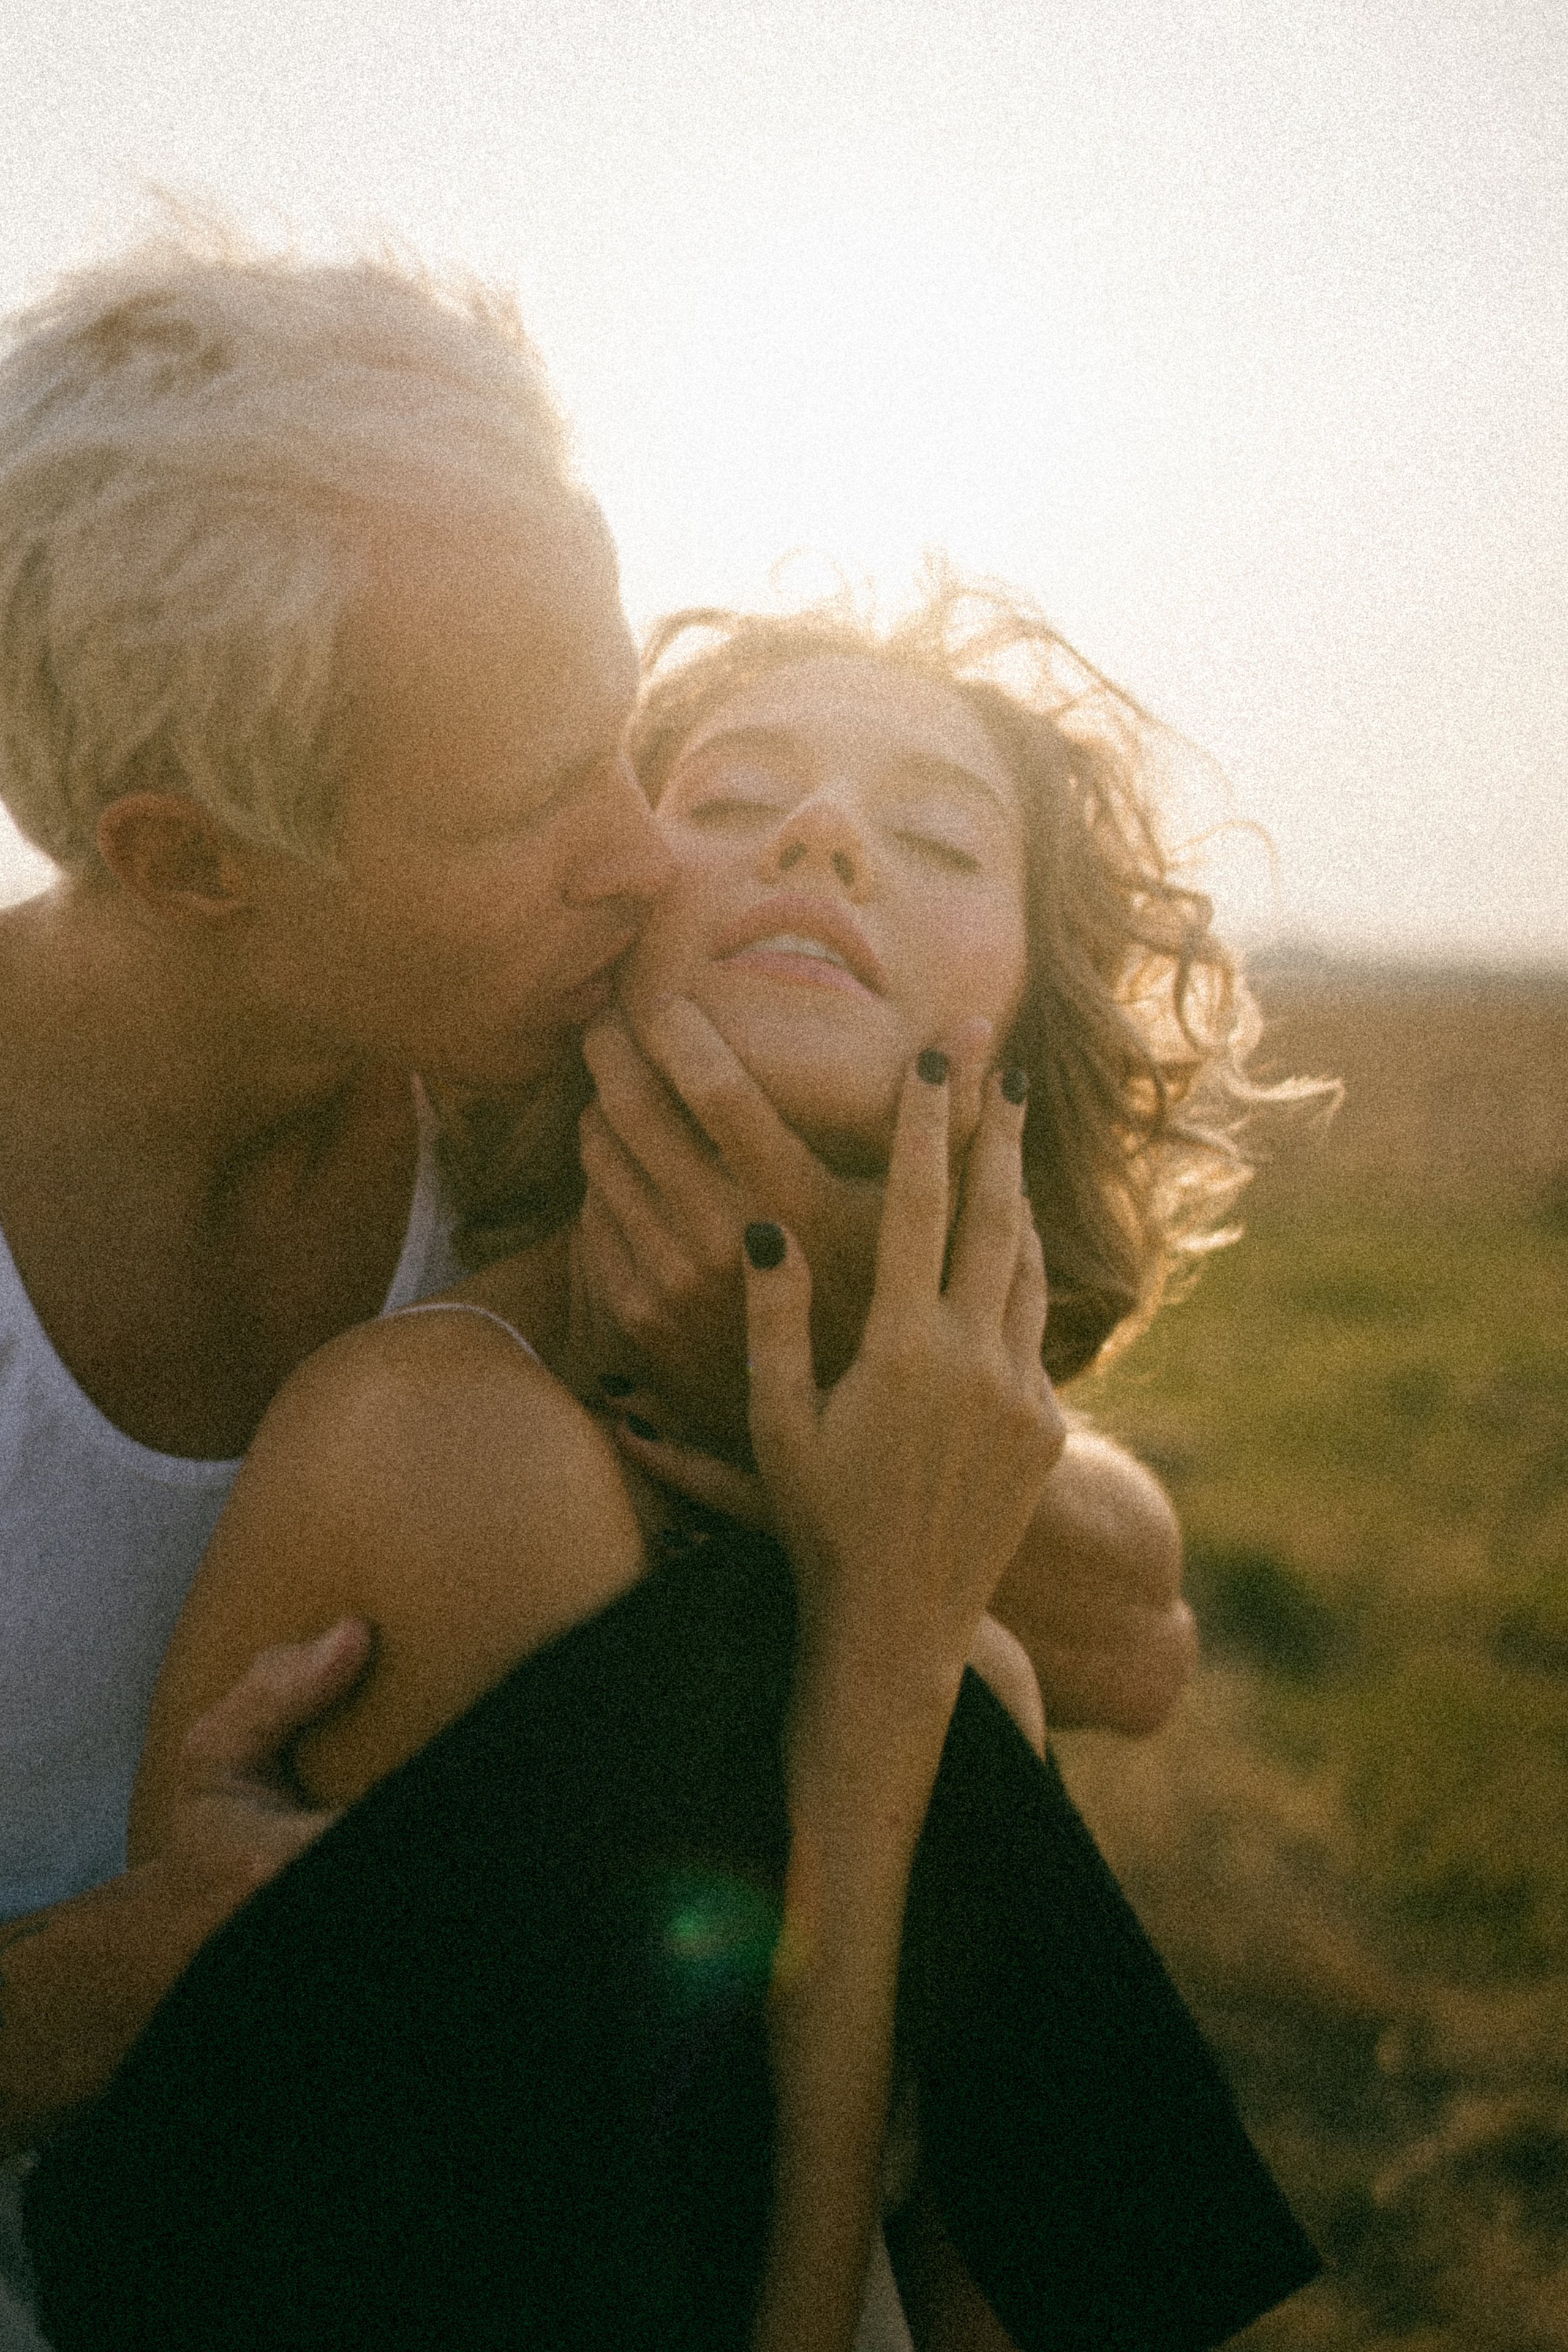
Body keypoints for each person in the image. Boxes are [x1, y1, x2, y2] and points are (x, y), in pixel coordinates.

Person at [0, 227, 1191, 2344]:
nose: (646, 857)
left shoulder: (529, 1070)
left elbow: (1134, 1624)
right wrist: (108, 1984)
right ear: (189, 860)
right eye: (542, 798)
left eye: (625, 741)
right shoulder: (450, 1394)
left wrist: (811, 1343)